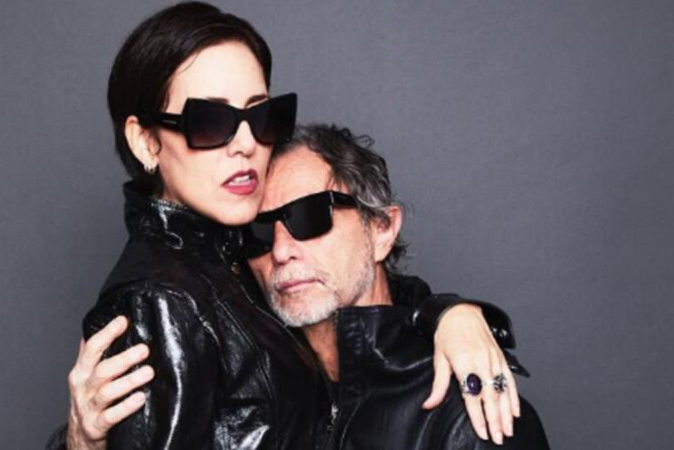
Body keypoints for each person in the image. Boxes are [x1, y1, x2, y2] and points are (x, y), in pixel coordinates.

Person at [48, 2, 524, 449]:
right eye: (210, 121)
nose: (245, 144)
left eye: (259, 116)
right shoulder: (163, 298)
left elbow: (354, 293)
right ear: (146, 141)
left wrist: (448, 315)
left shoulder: (231, 256)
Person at [243, 124, 550, 449]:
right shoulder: (254, 402)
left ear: (382, 230)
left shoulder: (468, 420)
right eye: (258, 231)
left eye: (310, 216)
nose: (280, 251)